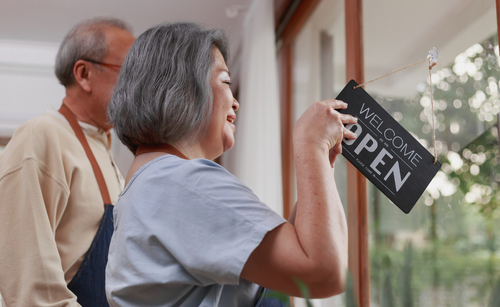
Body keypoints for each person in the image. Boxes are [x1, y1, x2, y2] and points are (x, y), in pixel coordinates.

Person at [105, 22, 357, 307]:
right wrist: (309, 144)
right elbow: (323, 273)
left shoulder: (155, 185)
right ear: (183, 89)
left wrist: (321, 162)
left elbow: (289, 259)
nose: (235, 102)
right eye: (225, 81)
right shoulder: (181, 182)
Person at [0, 17, 135, 307]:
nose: (138, 85)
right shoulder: (43, 135)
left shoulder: (104, 151)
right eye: (129, 70)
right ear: (84, 74)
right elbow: (32, 289)